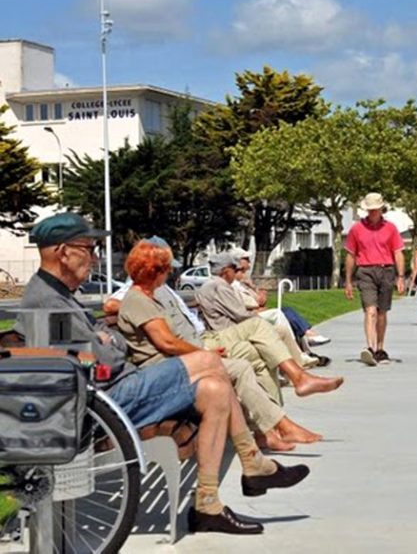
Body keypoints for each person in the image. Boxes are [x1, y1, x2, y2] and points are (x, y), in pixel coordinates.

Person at [19, 214, 308, 535]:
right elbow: (95, 359)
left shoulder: (58, 294)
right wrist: (106, 343)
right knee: (211, 364)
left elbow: (103, 343)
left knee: (214, 389)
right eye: (89, 248)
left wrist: (105, 340)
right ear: (63, 252)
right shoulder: (48, 302)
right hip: (105, 402)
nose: (96, 256)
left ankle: (208, 504)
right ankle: (253, 465)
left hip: (109, 393)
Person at [105, 240, 320, 451]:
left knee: (248, 358)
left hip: (178, 362)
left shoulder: (146, 297)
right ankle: (279, 425)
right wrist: (205, 354)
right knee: (239, 368)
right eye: (166, 268)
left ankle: (273, 427)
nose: (169, 272)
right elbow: (167, 342)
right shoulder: (138, 299)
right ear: (154, 270)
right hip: (168, 369)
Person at [197, 252, 344, 398]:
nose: (237, 274)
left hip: (229, 330)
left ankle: (298, 373)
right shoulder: (219, 286)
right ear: (225, 271)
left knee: (277, 330)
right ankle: (299, 374)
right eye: (235, 270)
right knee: (266, 328)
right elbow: (241, 315)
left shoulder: (213, 285)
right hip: (227, 331)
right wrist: (259, 315)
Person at [343, 192, 406, 365]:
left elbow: (398, 253)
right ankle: (370, 347)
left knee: (381, 312)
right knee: (370, 310)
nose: (372, 213)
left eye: (375, 210)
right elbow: (350, 255)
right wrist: (348, 280)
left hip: (386, 270)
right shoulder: (356, 229)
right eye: (369, 210)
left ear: (381, 209)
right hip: (365, 271)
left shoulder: (391, 228)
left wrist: (401, 277)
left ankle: (380, 348)